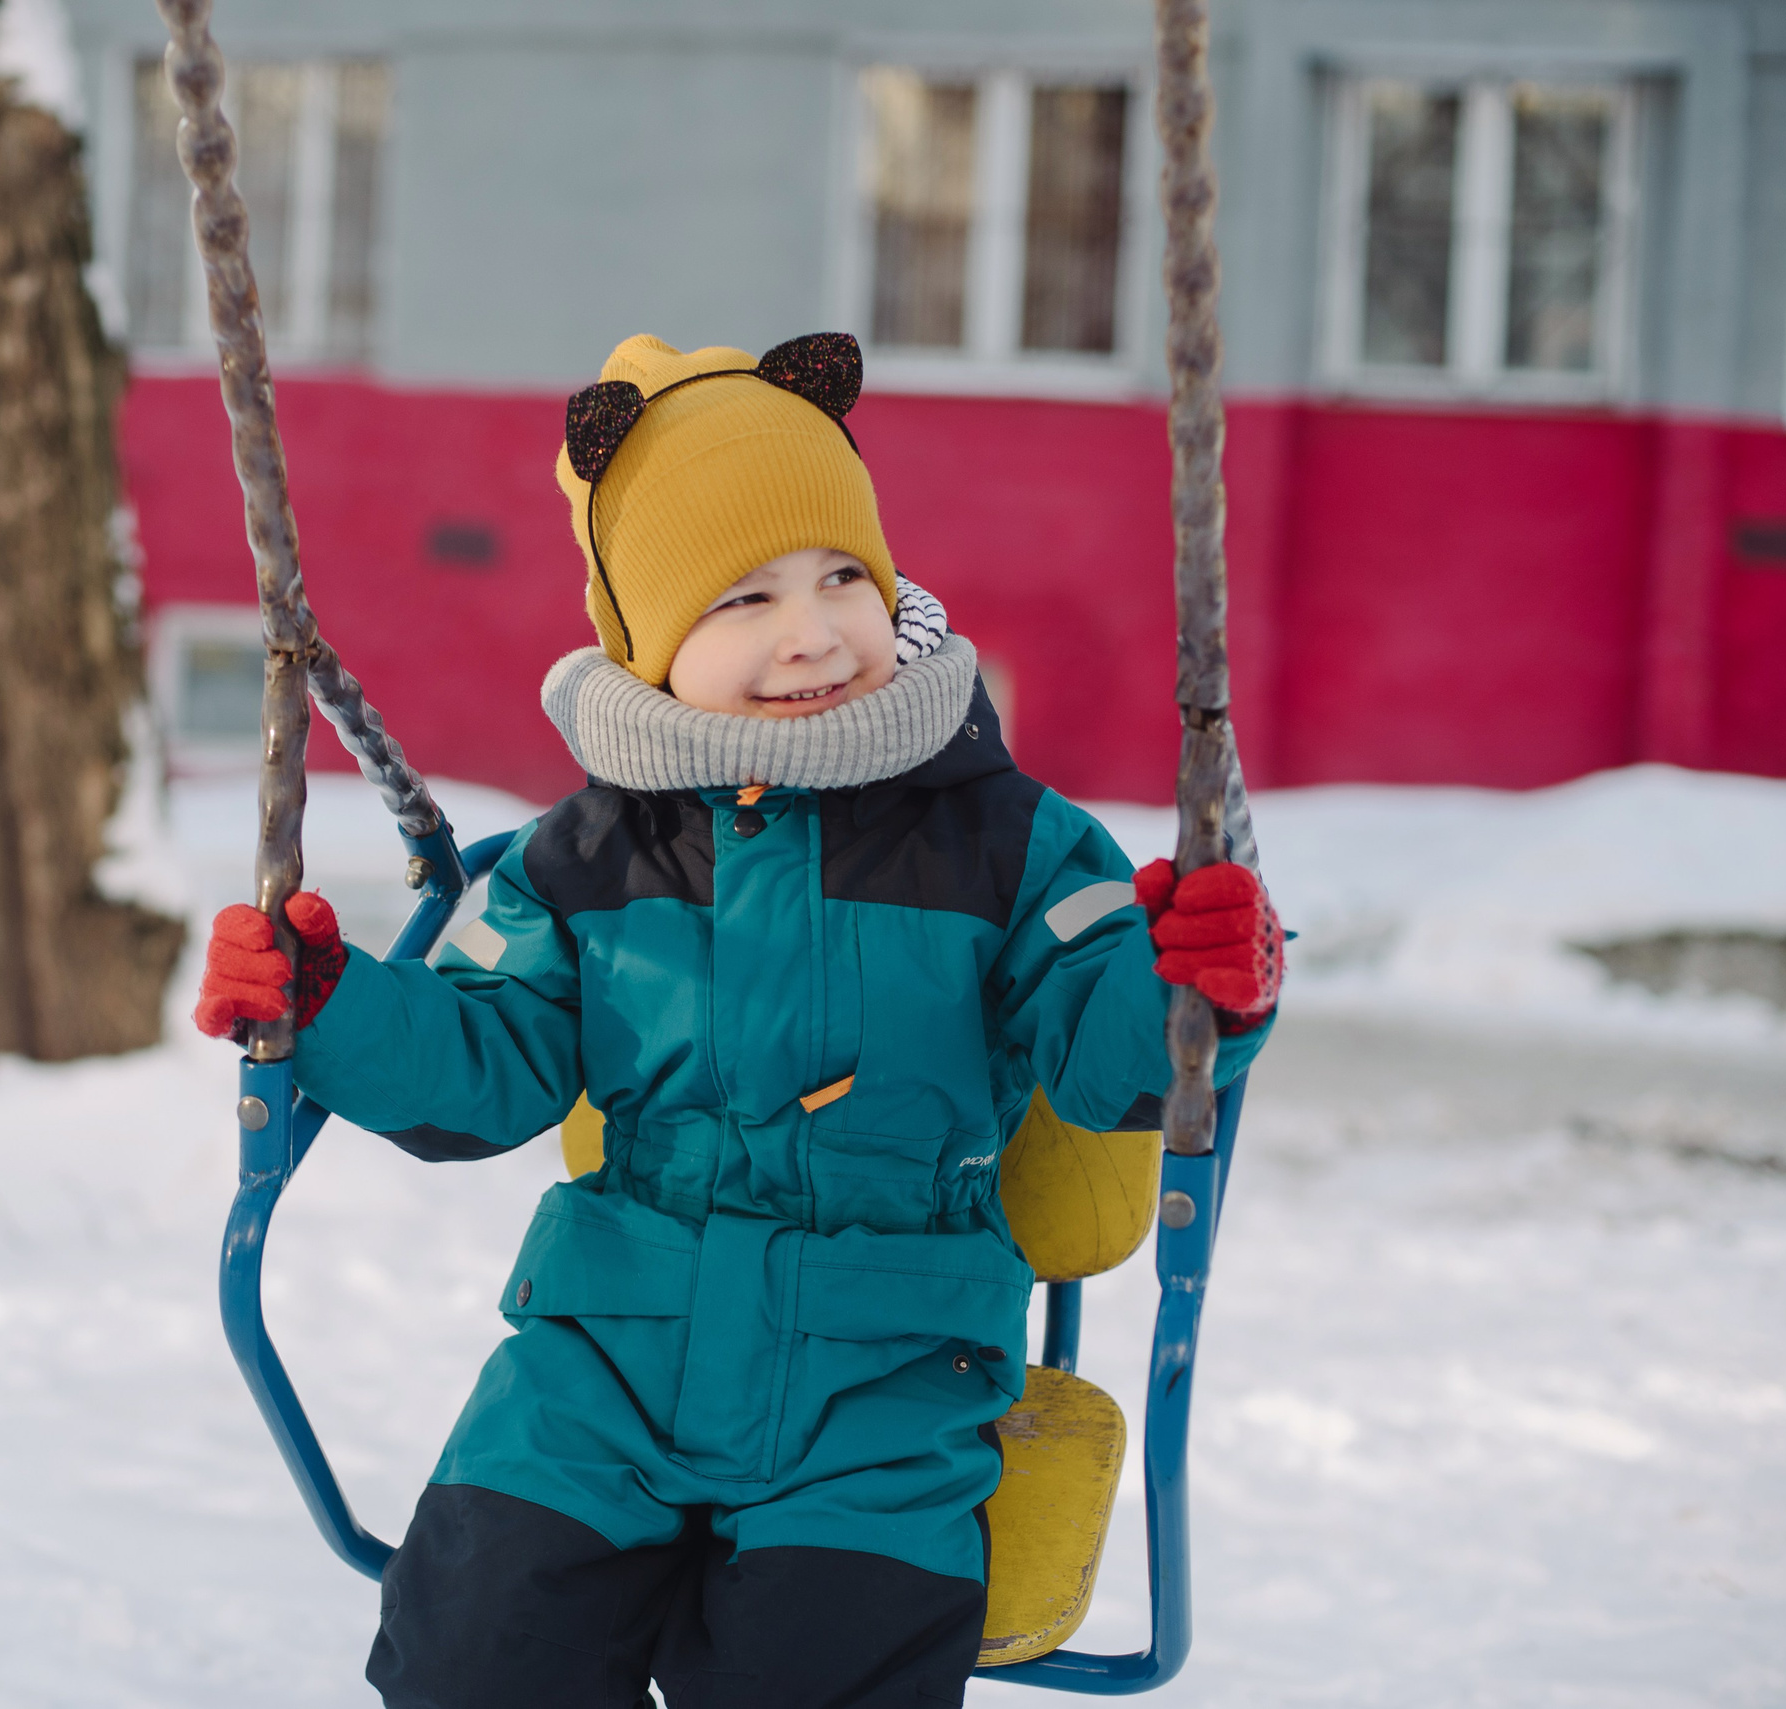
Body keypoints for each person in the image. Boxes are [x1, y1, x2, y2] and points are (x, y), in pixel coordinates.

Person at [192, 333, 1281, 1709]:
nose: (811, 630)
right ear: (645, 639)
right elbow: (480, 1057)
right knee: (475, 1656)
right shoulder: (578, 863)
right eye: (743, 598)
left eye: (842, 576)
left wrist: (1189, 995)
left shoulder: (1011, 845)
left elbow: (1099, 1027)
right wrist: (329, 1008)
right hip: (606, 1354)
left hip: (885, 1374)